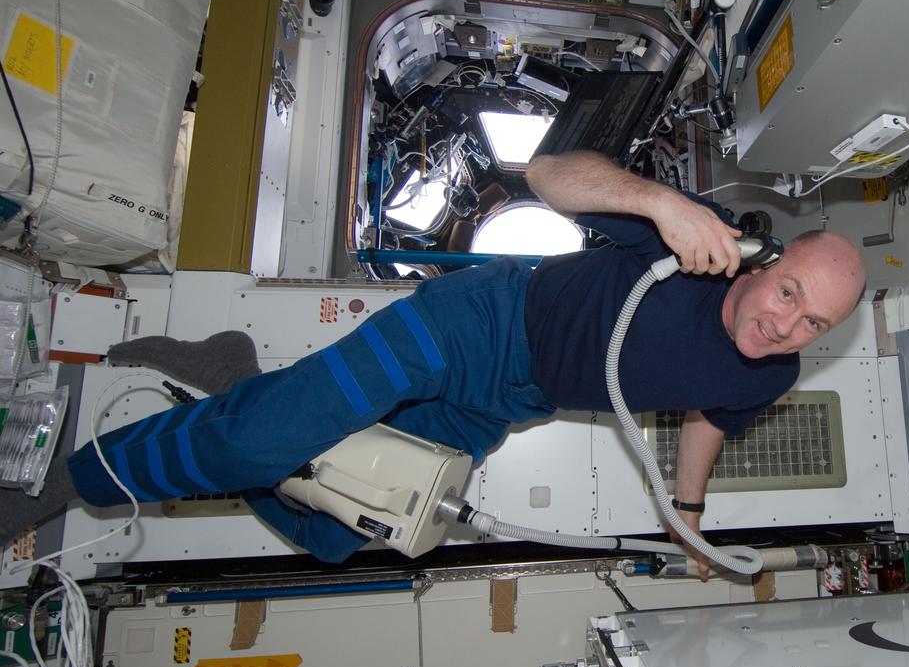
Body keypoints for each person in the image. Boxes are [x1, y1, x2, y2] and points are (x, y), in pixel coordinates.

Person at [4, 151, 865, 575]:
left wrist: (689, 516)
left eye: (814, 323)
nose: (790, 326)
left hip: (509, 402)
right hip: (477, 322)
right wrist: (661, 202)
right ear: (763, 258)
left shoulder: (769, 374)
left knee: (342, 535)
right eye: (789, 293)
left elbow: (711, 416)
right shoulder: (688, 232)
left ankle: (236, 380)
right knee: (257, 447)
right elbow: (546, 172)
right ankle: (74, 478)